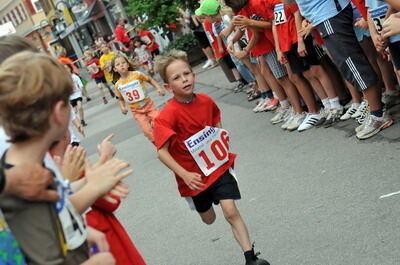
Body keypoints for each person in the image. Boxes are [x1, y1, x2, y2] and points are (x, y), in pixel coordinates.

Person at [0, 51, 132, 264]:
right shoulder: (21, 186)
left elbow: (51, 215)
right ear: (59, 112)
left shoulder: (19, 166)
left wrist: (82, 230)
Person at [153, 49, 269, 265]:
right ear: (168, 87)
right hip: (193, 177)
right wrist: (185, 174)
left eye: (187, 73)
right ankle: (204, 205)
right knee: (209, 219)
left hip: (217, 167)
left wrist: (220, 141)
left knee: (230, 210)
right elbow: (161, 151)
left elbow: (216, 122)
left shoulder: (206, 101)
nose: (184, 79)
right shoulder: (167, 115)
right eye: (177, 78)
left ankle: (250, 258)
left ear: (194, 75)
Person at [294, 0, 392, 139]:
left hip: (329, 14)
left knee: (353, 64)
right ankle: (376, 110)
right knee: (350, 65)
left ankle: (378, 114)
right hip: (323, 16)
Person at [112, 53, 166, 143]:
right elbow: (119, 98)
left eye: (123, 62)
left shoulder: (137, 74)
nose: (121, 65)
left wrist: (158, 88)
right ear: (115, 69)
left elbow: (149, 79)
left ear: (128, 64)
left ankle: (164, 136)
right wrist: (122, 107)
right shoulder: (118, 85)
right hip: (136, 111)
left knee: (159, 120)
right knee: (146, 131)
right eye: (118, 64)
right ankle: (158, 145)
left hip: (149, 105)